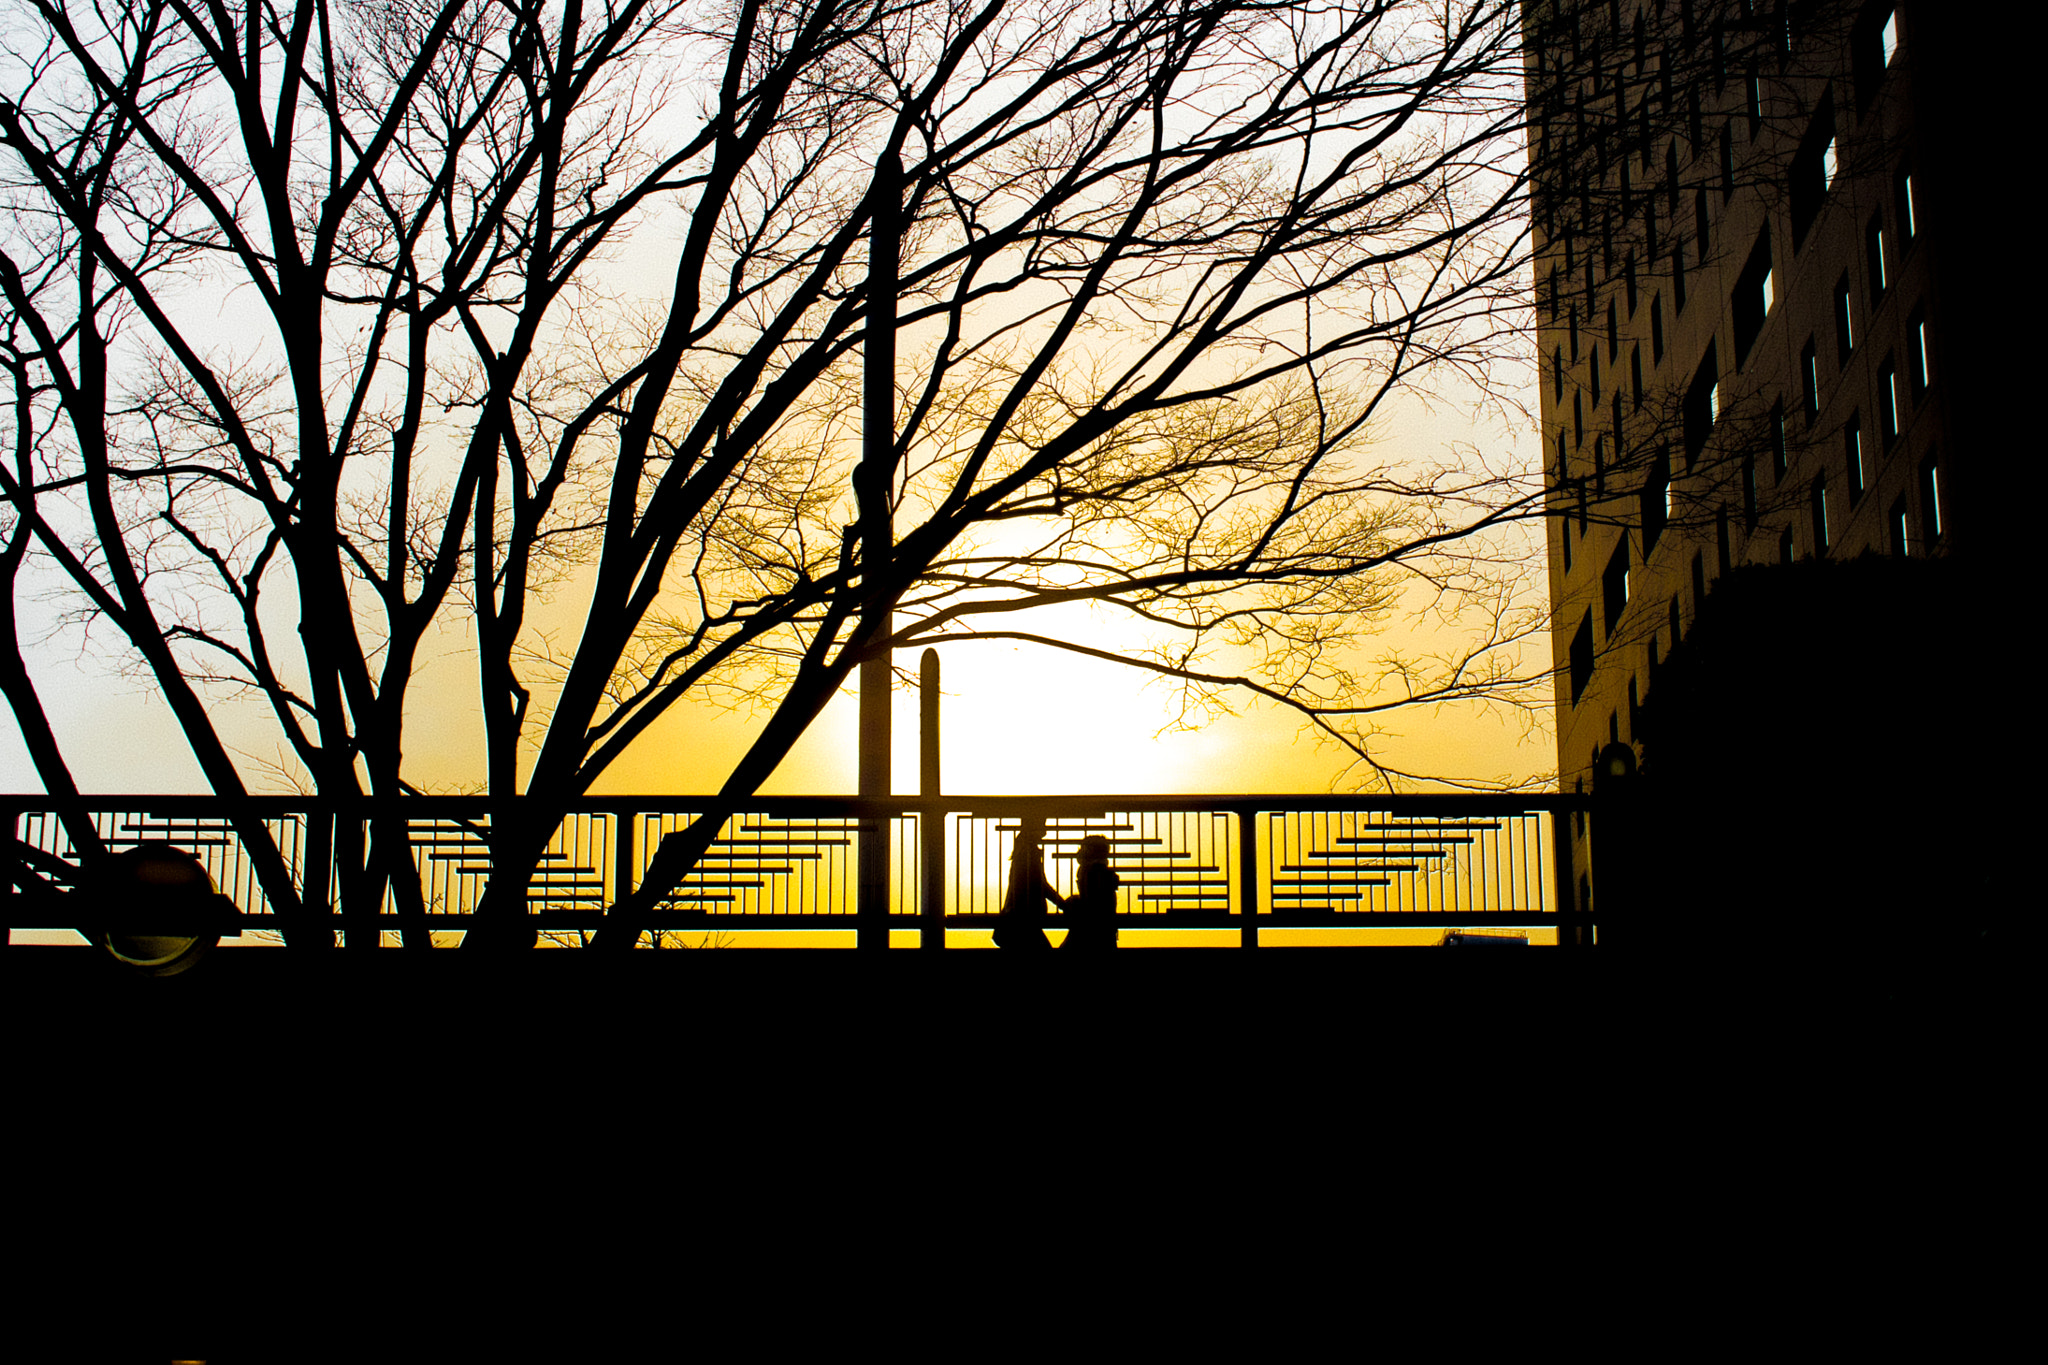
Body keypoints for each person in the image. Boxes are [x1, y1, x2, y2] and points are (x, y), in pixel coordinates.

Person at [992, 816, 1063, 949]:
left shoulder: (1022, 851)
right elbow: (1040, 885)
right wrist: (1064, 904)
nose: (1045, 829)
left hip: (1018, 920)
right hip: (1025, 921)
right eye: (1042, 824)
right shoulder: (1029, 854)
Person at [1058, 834, 1119, 951]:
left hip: (1089, 930)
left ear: (1090, 851)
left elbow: (1092, 905)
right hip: (1103, 932)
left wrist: (1073, 902)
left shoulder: (1092, 872)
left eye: (1082, 848)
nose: (1078, 851)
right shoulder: (1102, 872)